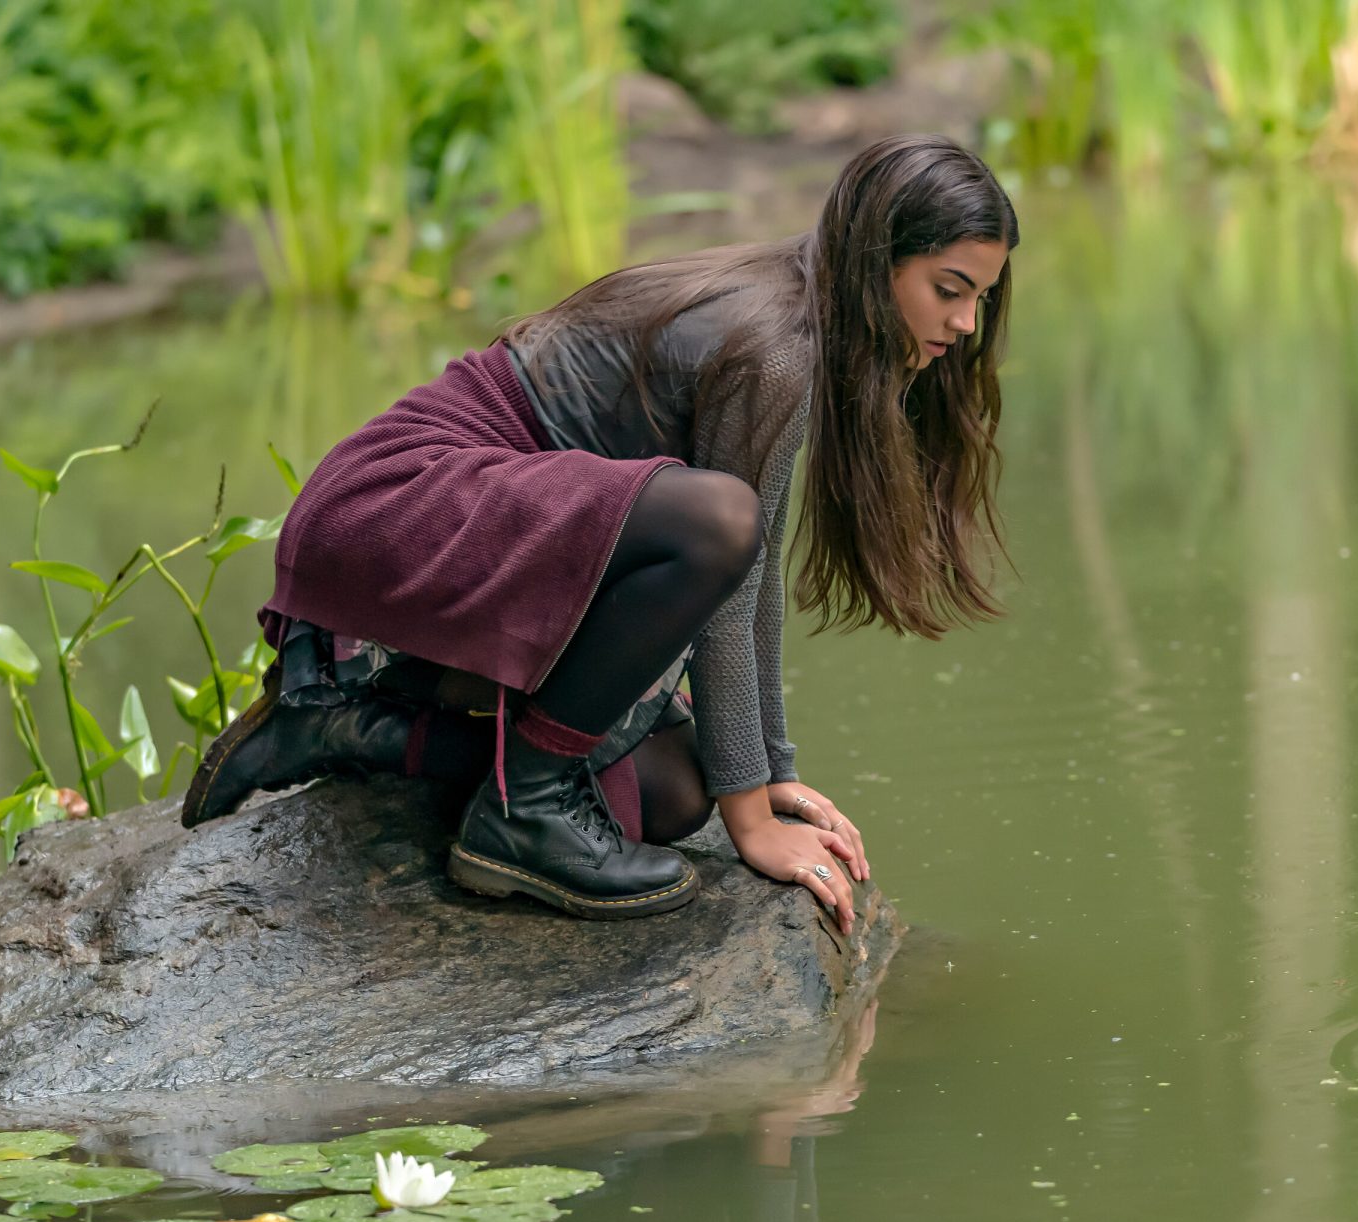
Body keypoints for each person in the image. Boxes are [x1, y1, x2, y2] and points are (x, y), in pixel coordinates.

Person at [180, 134, 1018, 934]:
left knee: (678, 792)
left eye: (980, 297)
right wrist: (755, 826)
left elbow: (749, 588)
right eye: (948, 290)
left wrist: (768, 780)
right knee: (718, 522)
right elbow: (729, 577)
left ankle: (346, 726)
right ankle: (525, 812)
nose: (966, 325)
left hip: (485, 528)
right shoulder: (776, 348)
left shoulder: (804, 311)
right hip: (399, 501)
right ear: (879, 264)